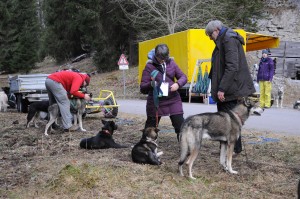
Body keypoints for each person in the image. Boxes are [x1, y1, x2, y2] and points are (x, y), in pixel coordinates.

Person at [205, 20, 255, 154]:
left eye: (210, 34)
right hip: (229, 87)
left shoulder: (228, 40)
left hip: (231, 89)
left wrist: (222, 88)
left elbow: (232, 67)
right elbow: (219, 65)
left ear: (216, 30)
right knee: (224, 121)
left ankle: (232, 149)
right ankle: (228, 149)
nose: (210, 38)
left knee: (229, 121)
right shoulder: (223, 39)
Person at [140, 44, 187, 141]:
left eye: (165, 58)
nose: (163, 60)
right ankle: (144, 146)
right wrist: (152, 84)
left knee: (180, 126)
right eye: (161, 59)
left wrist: (178, 84)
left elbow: (183, 77)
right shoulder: (149, 66)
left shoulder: (172, 63)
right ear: (155, 56)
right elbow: (143, 88)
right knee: (150, 128)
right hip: (156, 101)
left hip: (173, 99)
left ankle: (185, 147)